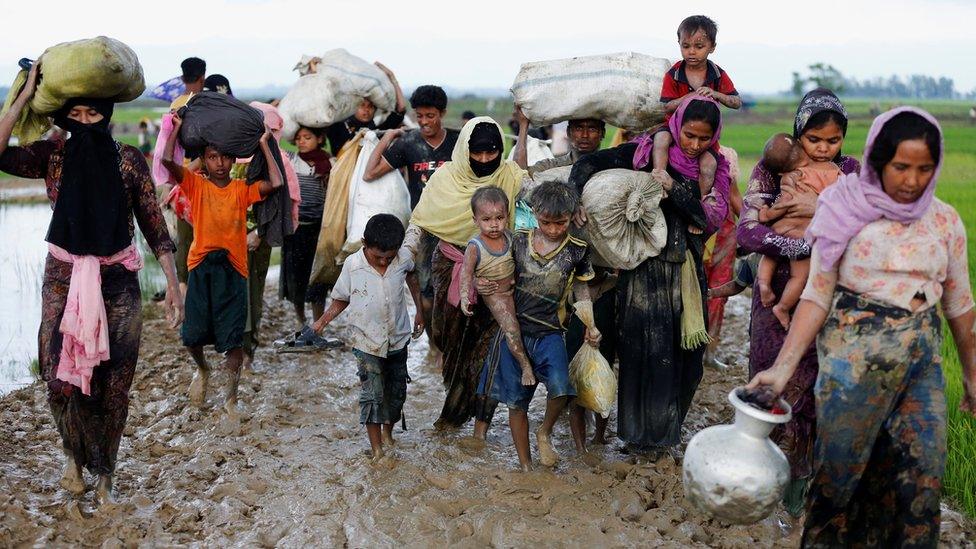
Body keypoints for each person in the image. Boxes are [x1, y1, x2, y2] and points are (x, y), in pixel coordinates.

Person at [747, 108, 976, 546]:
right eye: (900, 168)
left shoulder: (944, 221)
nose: (912, 181)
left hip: (919, 376)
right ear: (876, 161)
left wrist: (971, 375)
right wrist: (781, 370)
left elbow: (961, 308)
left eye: (925, 169)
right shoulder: (843, 208)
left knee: (918, 487)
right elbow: (815, 295)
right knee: (839, 487)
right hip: (849, 377)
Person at [0, 64, 183, 504]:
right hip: (63, 278)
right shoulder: (52, 155)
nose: (84, 122)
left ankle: (105, 475)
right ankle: (71, 456)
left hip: (118, 279)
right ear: (65, 117)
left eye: (92, 114)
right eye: (75, 114)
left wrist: (175, 286)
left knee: (115, 383)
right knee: (57, 374)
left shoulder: (128, 160)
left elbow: (155, 226)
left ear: (106, 113)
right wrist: (21, 99)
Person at [569, 95, 731, 454]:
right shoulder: (643, 154)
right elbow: (591, 163)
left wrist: (673, 188)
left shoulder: (713, 169)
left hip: (686, 271)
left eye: (704, 138)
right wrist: (575, 196)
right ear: (676, 128)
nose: (694, 144)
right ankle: (640, 440)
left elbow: (708, 219)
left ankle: (666, 432)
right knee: (642, 354)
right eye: (689, 135)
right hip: (641, 274)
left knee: (688, 362)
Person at [736, 88, 860, 516]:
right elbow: (748, 232)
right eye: (813, 139)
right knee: (771, 381)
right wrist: (803, 245)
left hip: (829, 295)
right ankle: (761, 480)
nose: (824, 148)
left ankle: (803, 490)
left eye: (833, 139)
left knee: (819, 391)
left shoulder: (852, 172)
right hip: (777, 296)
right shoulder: (772, 169)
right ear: (797, 135)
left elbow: (864, 228)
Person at [401, 113, 530, 434]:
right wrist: (404, 252)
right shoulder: (445, 180)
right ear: (465, 150)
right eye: (478, 152)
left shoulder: (509, 176)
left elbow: (532, 192)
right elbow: (421, 222)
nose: (484, 160)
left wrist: (525, 130)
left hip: (498, 275)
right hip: (451, 268)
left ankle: (471, 422)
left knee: (488, 350)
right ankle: (459, 404)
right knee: (452, 344)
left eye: (492, 153)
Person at [160, 114, 284, 422]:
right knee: (192, 336)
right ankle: (202, 369)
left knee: (234, 341)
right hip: (201, 267)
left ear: (232, 160)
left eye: (225, 158)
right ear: (203, 160)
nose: (220, 163)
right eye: (213, 157)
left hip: (234, 269)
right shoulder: (195, 186)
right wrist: (175, 129)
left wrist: (265, 144)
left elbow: (277, 182)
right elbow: (166, 160)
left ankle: (230, 400)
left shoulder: (241, 189)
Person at [477, 181, 599, 470]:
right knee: (516, 402)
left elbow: (582, 291)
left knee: (562, 388)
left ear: (572, 217)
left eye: (561, 223)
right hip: (516, 332)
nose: (554, 230)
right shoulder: (517, 241)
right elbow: (494, 269)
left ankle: (544, 430)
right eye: (547, 222)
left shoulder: (578, 251)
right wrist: (479, 282)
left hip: (550, 332)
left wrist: (590, 325)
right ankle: (526, 466)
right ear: (535, 214)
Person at [311, 214, 425, 460]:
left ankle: (388, 433)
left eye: (389, 257)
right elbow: (341, 298)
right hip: (366, 342)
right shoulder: (353, 265)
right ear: (364, 244)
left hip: (397, 340)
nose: (384, 262)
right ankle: (377, 451)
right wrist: (321, 322)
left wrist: (420, 312)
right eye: (378, 257)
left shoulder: (403, 258)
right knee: (372, 395)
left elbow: (412, 277)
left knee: (396, 393)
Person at [362, 85, 460, 345]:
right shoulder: (409, 143)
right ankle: (434, 345)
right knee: (426, 296)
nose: (425, 122)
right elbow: (370, 173)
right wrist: (388, 137)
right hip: (425, 228)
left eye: (431, 116)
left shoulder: (460, 141)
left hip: (458, 226)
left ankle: (451, 345)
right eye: (420, 117)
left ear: (443, 113)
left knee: (456, 291)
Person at [755, 133, 842, 329]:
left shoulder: (791, 176)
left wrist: (767, 215)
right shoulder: (834, 170)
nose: (822, 148)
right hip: (803, 233)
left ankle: (763, 284)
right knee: (799, 276)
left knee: (770, 254)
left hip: (783, 226)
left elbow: (786, 202)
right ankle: (783, 307)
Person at [653, 15, 740, 203]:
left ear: (712, 47)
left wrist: (717, 94)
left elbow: (736, 102)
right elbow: (666, 106)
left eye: (699, 47)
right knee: (660, 138)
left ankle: (698, 204)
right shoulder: (674, 74)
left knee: (709, 165)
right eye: (686, 46)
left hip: (703, 132)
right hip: (675, 129)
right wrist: (688, 98)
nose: (691, 52)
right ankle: (659, 179)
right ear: (679, 44)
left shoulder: (717, 74)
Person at [458, 186, 535, 387]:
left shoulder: (510, 237)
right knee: (512, 328)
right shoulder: (475, 246)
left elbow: (521, 261)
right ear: (475, 220)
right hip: (496, 294)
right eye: (487, 220)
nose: (494, 225)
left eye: (499, 218)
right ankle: (525, 365)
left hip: (513, 288)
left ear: (506, 216)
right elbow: (465, 273)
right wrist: (466, 296)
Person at [280, 126, 332, 325]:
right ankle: (302, 321)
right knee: (296, 277)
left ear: (319, 138)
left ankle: (318, 323)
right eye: (298, 137)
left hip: (319, 229)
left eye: (307, 137)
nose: (302, 141)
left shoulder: (329, 162)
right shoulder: (290, 160)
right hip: (295, 229)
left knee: (317, 277)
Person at [701, 146, 742, 370]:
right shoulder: (678, 151)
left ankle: (710, 351)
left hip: (725, 235)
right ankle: (689, 350)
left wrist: (751, 229)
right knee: (690, 292)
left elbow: (733, 196)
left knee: (718, 294)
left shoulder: (727, 155)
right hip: (696, 233)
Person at [324, 62, 407, 156]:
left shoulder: (377, 131)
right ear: (354, 106)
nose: (366, 110)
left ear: (375, 109)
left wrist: (392, 78)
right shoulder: (338, 127)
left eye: (370, 106)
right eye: (362, 105)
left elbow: (401, 109)